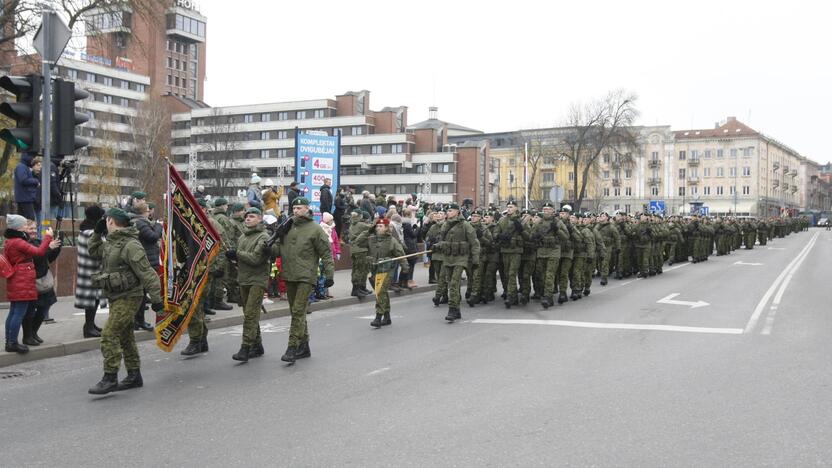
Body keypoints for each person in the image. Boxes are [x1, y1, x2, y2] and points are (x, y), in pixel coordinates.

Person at [87, 208, 164, 395]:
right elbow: (93, 250)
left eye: (105, 221)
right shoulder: (112, 242)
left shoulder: (131, 244)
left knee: (109, 334)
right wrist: (97, 233)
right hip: (115, 296)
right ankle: (134, 375)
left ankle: (110, 377)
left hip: (130, 296)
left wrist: (157, 300)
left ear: (111, 221)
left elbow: (147, 273)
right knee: (125, 336)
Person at [272, 197, 335, 363]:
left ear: (307, 209)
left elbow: (326, 253)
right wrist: (270, 243)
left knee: (298, 311)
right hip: (289, 274)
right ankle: (304, 346)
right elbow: (278, 250)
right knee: (295, 311)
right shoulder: (288, 227)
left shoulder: (315, 229)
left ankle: (292, 347)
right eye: (294, 208)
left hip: (306, 276)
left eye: (299, 208)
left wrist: (329, 275)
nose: (296, 211)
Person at [4, 215, 53, 353]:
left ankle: (9, 341)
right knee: (19, 313)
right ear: (18, 227)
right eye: (25, 225)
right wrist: (48, 237)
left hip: (17, 279)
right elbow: (38, 252)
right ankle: (12, 342)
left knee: (14, 312)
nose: (27, 227)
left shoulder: (10, 241)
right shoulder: (18, 242)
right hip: (22, 280)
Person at [356, 218, 408, 328]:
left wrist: (405, 267)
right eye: (377, 226)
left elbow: (401, 254)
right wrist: (369, 230)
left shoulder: (391, 240)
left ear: (386, 228)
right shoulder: (371, 239)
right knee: (382, 293)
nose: (378, 228)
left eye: (381, 226)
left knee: (380, 292)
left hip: (386, 270)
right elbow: (358, 242)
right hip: (374, 270)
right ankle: (387, 316)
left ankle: (378, 317)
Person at [436, 202, 480, 322]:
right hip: (447, 257)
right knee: (451, 283)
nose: (448, 212)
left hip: (461, 258)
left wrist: (475, 259)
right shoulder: (445, 225)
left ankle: (452, 309)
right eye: (447, 211)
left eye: (451, 210)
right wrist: (438, 245)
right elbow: (442, 240)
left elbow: (474, 243)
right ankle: (457, 310)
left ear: (457, 212)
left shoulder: (465, 225)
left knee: (454, 283)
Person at [22, 220, 62, 346]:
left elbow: (48, 258)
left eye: (34, 228)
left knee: (44, 307)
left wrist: (56, 247)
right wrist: (48, 247)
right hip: (32, 282)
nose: (33, 231)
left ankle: (34, 332)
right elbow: (37, 257)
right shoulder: (24, 244)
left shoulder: (39, 242)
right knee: (29, 311)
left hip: (44, 281)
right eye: (30, 228)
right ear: (23, 229)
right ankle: (27, 336)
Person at [75, 205, 106, 338]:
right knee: (91, 301)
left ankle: (90, 325)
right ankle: (88, 328)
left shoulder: (86, 230)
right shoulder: (91, 233)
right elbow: (102, 249)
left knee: (94, 300)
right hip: (91, 271)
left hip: (90, 270)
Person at [131, 201, 163, 331]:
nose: (150, 211)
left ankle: (137, 321)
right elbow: (153, 237)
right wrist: (159, 226)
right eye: (148, 210)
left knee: (141, 294)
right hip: (146, 261)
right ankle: (139, 321)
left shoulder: (137, 222)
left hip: (144, 259)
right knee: (142, 294)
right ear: (145, 211)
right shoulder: (140, 223)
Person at [348, 210, 373, 298]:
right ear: (360, 216)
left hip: (354, 250)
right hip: (360, 250)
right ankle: (356, 290)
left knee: (357, 269)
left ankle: (360, 288)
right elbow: (372, 228)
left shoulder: (352, 225)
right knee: (360, 270)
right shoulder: (361, 225)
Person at [13, 153, 39, 221]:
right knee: (30, 219)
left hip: (24, 198)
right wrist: (36, 181)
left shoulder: (24, 167)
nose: (33, 159)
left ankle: (23, 231)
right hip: (25, 198)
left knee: (23, 220)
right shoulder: (22, 167)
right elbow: (23, 180)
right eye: (32, 158)